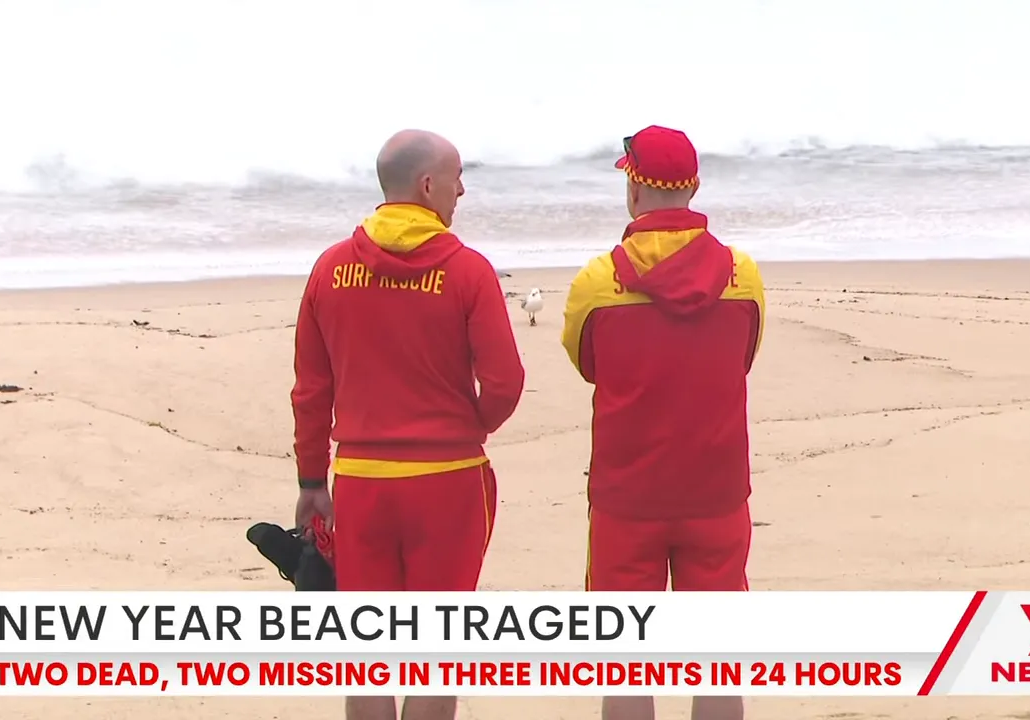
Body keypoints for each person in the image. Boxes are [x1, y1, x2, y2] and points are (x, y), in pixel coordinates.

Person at [290, 129, 526, 720]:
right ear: (427, 185)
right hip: (448, 480)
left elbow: (311, 391)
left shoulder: (330, 269)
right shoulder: (468, 271)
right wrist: (466, 426)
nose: (462, 190)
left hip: (362, 483)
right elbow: (504, 382)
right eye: (457, 178)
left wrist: (312, 481)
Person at [560, 125, 765, 720]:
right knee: (718, 668)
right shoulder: (742, 275)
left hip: (628, 495)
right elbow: (743, 356)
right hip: (716, 489)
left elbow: (588, 365)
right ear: (694, 187)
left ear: (632, 189)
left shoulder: (598, 281)